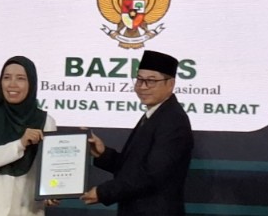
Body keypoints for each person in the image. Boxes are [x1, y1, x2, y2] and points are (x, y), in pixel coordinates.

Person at [81, 50, 194, 215]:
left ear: (170, 84)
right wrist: (102, 153)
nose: (142, 87)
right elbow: (133, 168)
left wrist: (103, 192)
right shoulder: (155, 115)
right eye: (139, 79)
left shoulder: (173, 121)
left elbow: (152, 174)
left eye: (151, 81)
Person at [0, 56, 58, 216]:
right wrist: (20, 144)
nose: (12, 84)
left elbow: (51, 171)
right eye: (7, 77)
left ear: (31, 83)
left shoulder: (45, 121)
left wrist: (53, 190)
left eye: (21, 78)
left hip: (26, 210)